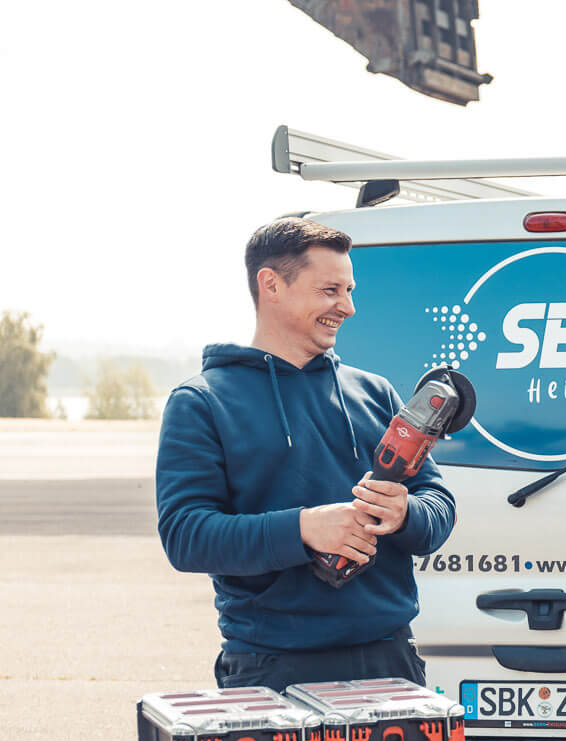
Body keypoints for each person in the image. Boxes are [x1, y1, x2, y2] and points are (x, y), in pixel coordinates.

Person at [156, 218, 456, 692]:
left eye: (349, 291)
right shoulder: (202, 402)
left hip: (391, 661)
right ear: (271, 285)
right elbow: (186, 536)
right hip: (270, 669)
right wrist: (304, 529)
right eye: (330, 291)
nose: (348, 307)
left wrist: (405, 513)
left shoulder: (375, 392)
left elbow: (439, 505)